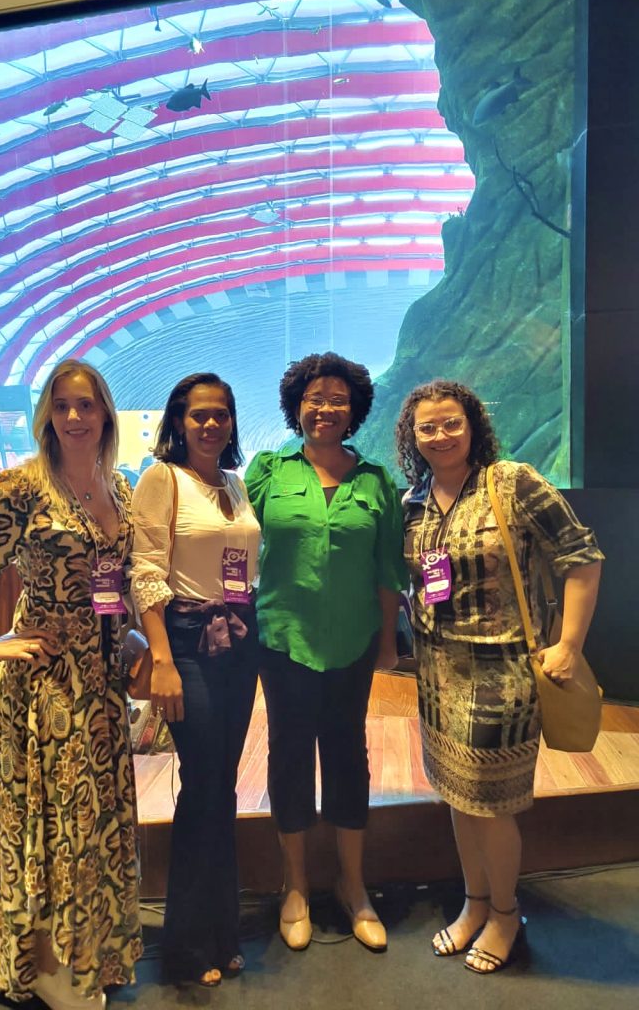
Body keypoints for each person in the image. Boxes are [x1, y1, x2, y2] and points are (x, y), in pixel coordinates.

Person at [0, 359, 141, 1009]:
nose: (74, 416)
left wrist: (130, 636)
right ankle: (46, 967)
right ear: (46, 415)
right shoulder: (24, 486)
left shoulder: (117, 486)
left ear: (105, 414)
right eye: (62, 405)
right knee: (52, 826)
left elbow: (119, 579)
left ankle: (90, 955)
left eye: (86, 404)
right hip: (51, 685)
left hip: (103, 684)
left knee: (94, 824)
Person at [394, 379, 603, 975]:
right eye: (427, 427)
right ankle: (475, 903)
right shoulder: (414, 501)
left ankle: (507, 914)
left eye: (451, 423)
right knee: (459, 797)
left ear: (473, 425)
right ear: (412, 435)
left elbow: (582, 557)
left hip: (503, 673)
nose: (440, 436)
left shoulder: (512, 482)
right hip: (437, 673)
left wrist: (569, 645)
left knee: (492, 804)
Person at [245, 352, 407, 953]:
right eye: (315, 398)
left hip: (353, 641)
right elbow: (231, 541)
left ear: (354, 410)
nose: (326, 408)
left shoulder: (376, 481)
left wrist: (387, 640)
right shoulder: (268, 472)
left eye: (339, 399)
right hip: (282, 639)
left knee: (347, 756)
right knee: (289, 756)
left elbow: (388, 569)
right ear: (297, 406)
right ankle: (295, 887)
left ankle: (353, 885)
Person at [130, 372, 261, 987]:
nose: (211, 424)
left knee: (221, 788)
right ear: (178, 422)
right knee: (203, 784)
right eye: (198, 414)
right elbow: (145, 572)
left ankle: (222, 931)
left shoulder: (234, 484)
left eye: (221, 414)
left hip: (239, 638)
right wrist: (161, 659)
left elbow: (241, 567)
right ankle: (185, 944)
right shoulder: (163, 479)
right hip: (185, 642)